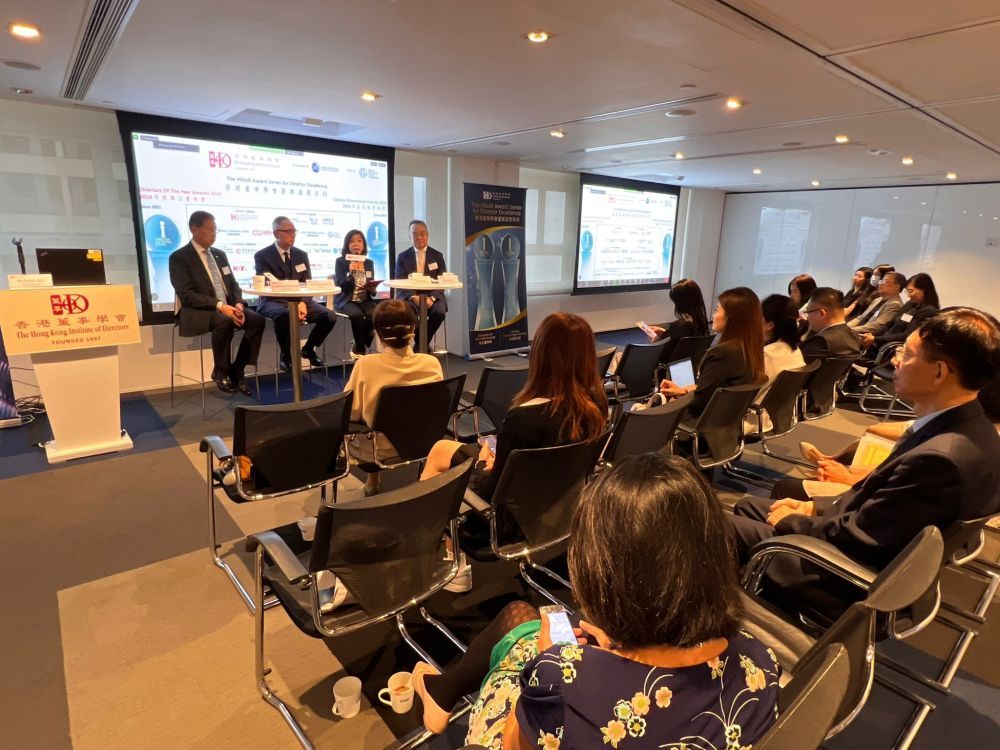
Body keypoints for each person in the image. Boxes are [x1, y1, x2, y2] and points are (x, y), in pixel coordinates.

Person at [412, 454, 780, 749]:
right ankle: (442, 693)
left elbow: (514, 743)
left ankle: (440, 695)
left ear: (600, 572)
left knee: (523, 625)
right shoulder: (760, 661)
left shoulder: (564, 679)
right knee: (522, 622)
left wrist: (548, 664)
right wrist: (619, 656)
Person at [729, 308, 1000, 604]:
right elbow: (881, 515)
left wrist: (793, 521)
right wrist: (814, 508)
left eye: (907, 355)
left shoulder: (941, 459)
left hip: (843, 575)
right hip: (864, 548)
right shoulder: (973, 430)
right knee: (747, 506)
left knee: (716, 527)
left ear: (939, 372)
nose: (894, 361)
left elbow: (861, 537)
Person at [421, 312, 608, 537]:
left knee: (446, 460)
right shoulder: (596, 407)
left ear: (540, 354)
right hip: (560, 505)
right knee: (443, 448)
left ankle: (428, 544)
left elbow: (491, 492)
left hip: (506, 522)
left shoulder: (525, 417)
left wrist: (483, 464)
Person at [343, 299, 442, 495]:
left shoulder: (366, 365)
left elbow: (351, 412)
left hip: (379, 449)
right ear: (413, 328)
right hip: (425, 441)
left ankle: (373, 480)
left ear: (377, 332)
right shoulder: (431, 363)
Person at [169, 211, 264, 396]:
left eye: (215, 230)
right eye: (210, 230)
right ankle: (221, 371)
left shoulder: (219, 255)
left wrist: (237, 305)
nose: (214, 234)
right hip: (199, 310)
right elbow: (187, 295)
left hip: (228, 307)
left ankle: (238, 369)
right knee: (224, 320)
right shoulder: (180, 257)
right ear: (194, 229)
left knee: (257, 320)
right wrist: (221, 306)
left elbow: (233, 284)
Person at [658, 287, 766, 419]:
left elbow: (699, 403)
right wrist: (686, 390)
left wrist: (680, 395)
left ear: (732, 317)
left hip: (700, 424)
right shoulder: (751, 349)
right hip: (726, 424)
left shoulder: (722, 354)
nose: (713, 316)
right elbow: (718, 391)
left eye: (717, 310)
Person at [253, 216, 337, 371]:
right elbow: (268, 284)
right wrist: (293, 306)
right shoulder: (262, 255)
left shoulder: (301, 255)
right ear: (276, 233)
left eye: (294, 231)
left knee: (329, 316)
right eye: (288, 231)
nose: (293, 234)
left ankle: (309, 348)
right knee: (285, 315)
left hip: (300, 301)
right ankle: (286, 354)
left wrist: (303, 302)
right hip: (274, 301)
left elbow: (307, 283)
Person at [748, 294, 806, 433]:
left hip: (752, 419)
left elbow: (744, 395)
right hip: (775, 417)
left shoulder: (768, 354)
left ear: (770, 324)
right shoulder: (795, 350)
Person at [394, 220, 448, 350]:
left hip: (432, 297)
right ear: (409, 237)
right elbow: (400, 281)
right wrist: (414, 297)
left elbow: (443, 280)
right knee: (409, 311)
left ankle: (420, 345)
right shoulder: (402, 257)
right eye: (415, 234)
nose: (418, 237)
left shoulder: (437, 255)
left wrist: (432, 298)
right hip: (411, 297)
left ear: (427, 235)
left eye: (422, 234)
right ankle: (422, 344)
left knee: (439, 312)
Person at [858, 272, 939, 353]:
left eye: (911, 291)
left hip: (891, 349)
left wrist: (876, 339)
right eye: (907, 291)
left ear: (924, 290)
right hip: (881, 342)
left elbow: (907, 335)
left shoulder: (928, 311)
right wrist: (873, 335)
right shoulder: (910, 304)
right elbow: (889, 324)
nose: (908, 295)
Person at [333, 229, 377, 357]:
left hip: (364, 298)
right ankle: (360, 348)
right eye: (351, 241)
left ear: (363, 245)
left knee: (374, 313)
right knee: (357, 315)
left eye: (359, 241)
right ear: (347, 245)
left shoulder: (369, 263)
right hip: (347, 299)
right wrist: (350, 273)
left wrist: (372, 286)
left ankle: (360, 342)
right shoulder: (340, 261)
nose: (355, 244)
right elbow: (341, 285)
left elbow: (372, 286)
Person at [646, 278, 710, 364]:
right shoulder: (702, 324)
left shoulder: (679, 326)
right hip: (689, 367)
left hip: (666, 370)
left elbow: (661, 355)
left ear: (680, 303)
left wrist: (655, 340)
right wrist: (665, 332)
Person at [799, 287, 862, 361]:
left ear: (821, 313)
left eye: (808, 312)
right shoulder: (855, 337)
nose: (807, 317)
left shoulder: (820, 341)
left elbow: (794, 368)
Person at [847, 271, 905, 335]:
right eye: (881, 281)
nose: (880, 284)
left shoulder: (895, 304)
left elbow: (876, 326)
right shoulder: (877, 300)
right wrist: (845, 327)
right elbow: (861, 317)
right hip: (855, 332)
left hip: (867, 336)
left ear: (897, 287)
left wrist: (849, 330)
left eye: (884, 281)